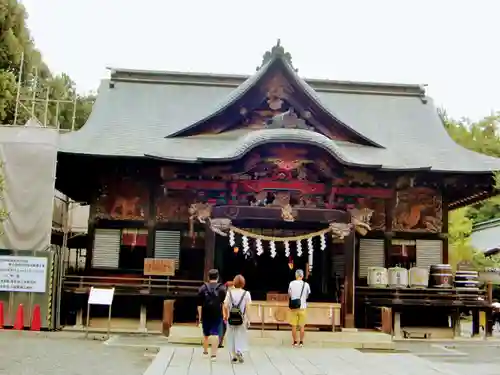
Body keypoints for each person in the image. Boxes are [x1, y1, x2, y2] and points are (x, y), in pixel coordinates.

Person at [197, 269, 226, 361]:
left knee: (206, 334)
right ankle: (213, 355)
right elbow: (224, 303)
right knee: (215, 334)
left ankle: (205, 352)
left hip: (206, 313)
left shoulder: (202, 288)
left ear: (208, 277)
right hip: (217, 313)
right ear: (217, 277)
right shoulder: (222, 288)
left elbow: (199, 304)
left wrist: (200, 316)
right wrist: (225, 314)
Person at [223, 274, 251, 363]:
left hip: (231, 317)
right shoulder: (246, 294)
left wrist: (226, 315)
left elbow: (225, 305)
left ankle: (234, 355)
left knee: (231, 335)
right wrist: (248, 319)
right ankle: (239, 350)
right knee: (240, 335)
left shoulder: (229, 293)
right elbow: (248, 307)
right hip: (241, 318)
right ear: (243, 283)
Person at [288, 269, 311, 347]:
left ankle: (295, 342)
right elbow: (308, 295)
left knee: (294, 326)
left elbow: (290, 294)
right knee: (302, 326)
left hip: (294, 307)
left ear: (296, 275)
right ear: (302, 275)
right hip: (303, 307)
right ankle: (301, 342)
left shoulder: (291, 283)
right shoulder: (306, 284)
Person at [219, 280, 234, 348]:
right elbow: (223, 304)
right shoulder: (225, 293)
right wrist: (224, 314)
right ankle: (220, 342)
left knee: (224, 328)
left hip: (227, 313)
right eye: (232, 287)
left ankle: (220, 342)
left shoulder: (231, 294)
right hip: (223, 313)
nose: (233, 288)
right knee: (222, 328)